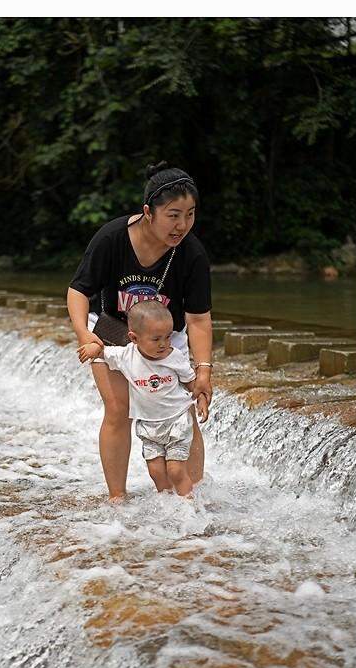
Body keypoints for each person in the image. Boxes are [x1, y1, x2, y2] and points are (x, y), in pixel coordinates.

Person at [67, 161, 213, 501]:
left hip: (166, 338)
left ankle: (191, 498)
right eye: (173, 215)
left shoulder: (191, 253)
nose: (182, 225)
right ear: (148, 212)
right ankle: (117, 498)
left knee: (181, 409)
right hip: (112, 331)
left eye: (190, 214)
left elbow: (198, 320)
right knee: (118, 410)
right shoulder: (112, 238)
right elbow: (78, 291)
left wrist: (204, 369)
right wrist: (81, 333)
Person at [78, 300, 209, 497]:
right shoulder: (125, 356)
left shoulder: (173, 357)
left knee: (175, 470)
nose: (164, 344)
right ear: (134, 338)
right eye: (156, 339)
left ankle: (189, 505)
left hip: (177, 421)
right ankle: (168, 503)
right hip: (148, 425)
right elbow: (103, 352)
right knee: (156, 472)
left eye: (168, 337)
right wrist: (92, 348)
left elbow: (191, 382)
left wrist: (201, 400)